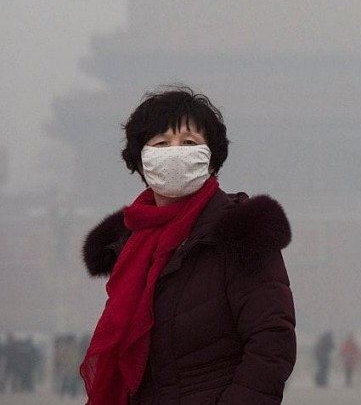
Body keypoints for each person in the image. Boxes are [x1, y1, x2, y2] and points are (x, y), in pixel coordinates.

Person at [80, 85, 296, 404]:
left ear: (210, 159)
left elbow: (271, 343)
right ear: (141, 161)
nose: (174, 153)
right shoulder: (129, 246)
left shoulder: (240, 234)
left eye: (189, 143)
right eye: (162, 143)